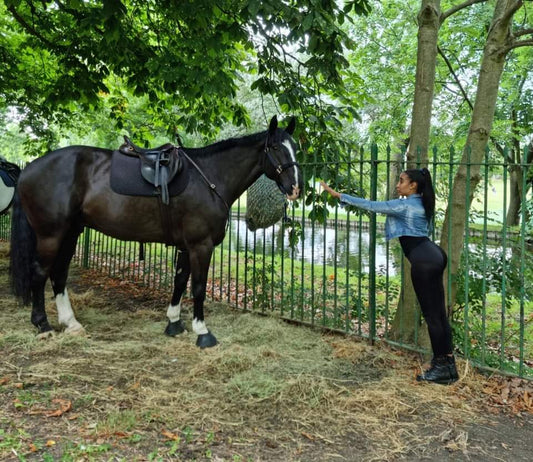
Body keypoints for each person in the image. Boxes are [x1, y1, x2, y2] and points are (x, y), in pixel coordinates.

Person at [320, 169, 458, 385]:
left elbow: (374, 206)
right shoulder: (422, 202)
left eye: (402, 181)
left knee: (432, 317)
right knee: (439, 315)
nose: (397, 184)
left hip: (424, 261)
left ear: (413, 186)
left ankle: (441, 368)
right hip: (434, 254)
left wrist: (340, 196)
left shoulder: (404, 205)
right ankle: (448, 366)